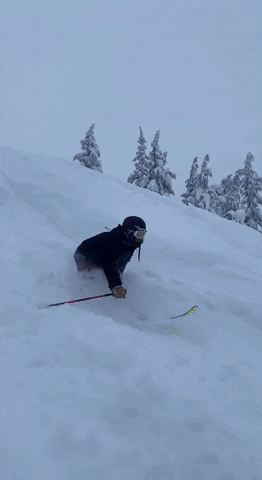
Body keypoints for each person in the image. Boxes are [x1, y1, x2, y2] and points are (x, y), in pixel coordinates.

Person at [74, 216, 147, 298]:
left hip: (100, 259)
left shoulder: (131, 243)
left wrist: (119, 277)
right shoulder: (113, 241)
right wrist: (116, 285)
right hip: (84, 256)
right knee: (88, 277)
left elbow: (122, 262)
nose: (140, 238)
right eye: (138, 234)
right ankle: (79, 294)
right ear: (129, 232)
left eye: (142, 234)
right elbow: (109, 263)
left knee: (107, 274)